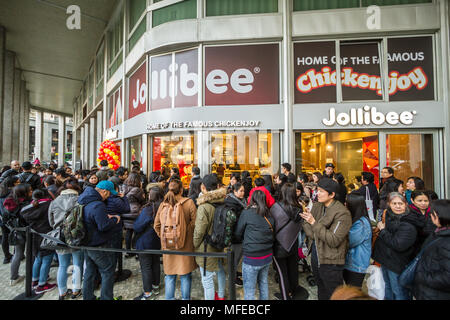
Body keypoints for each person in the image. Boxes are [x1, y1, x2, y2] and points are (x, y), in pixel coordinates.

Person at [300, 178, 352, 300]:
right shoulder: (318, 206)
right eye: (317, 190)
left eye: (321, 191)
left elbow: (333, 240)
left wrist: (313, 222)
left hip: (331, 261)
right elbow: (310, 232)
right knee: (321, 291)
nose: (317, 193)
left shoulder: (342, 213)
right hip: (316, 256)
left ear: (332, 194)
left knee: (334, 295)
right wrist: (310, 222)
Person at [154, 179, 197, 300]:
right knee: (185, 276)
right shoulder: (189, 203)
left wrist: (165, 237)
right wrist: (185, 235)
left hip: (168, 246)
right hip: (185, 247)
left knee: (169, 276)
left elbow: (156, 225)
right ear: (182, 190)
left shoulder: (163, 204)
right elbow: (195, 223)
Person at [79, 180, 121, 300]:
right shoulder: (98, 204)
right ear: (103, 191)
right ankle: (106, 297)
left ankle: (87, 297)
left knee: (90, 271)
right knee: (107, 271)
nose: (108, 196)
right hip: (97, 243)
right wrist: (114, 220)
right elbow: (103, 226)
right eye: (108, 194)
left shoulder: (84, 198)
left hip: (85, 241)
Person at [372, 192, 418, 300]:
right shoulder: (389, 216)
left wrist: (382, 231)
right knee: (388, 290)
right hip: (386, 259)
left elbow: (398, 244)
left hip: (398, 263)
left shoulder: (409, 222)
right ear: (389, 204)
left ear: (406, 204)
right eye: (394, 203)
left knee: (399, 292)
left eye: (400, 203)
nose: (397, 206)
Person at [234, 190, 274, 300]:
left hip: (252, 257)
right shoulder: (269, 214)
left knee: (249, 290)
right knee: (263, 283)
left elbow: (238, 232)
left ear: (252, 199)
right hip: (267, 256)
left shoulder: (246, 213)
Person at [48, 178, 84, 299]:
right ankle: (76, 290)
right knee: (77, 264)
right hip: (76, 235)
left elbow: (51, 221)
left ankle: (62, 292)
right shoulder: (80, 200)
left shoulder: (55, 201)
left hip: (60, 236)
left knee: (62, 265)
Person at [193, 174, 228, 300]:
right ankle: (222, 295)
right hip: (221, 244)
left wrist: (195, 245)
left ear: (203, 187)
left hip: (207, 247)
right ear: (218, 186)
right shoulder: (224, 201)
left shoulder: (204, 206)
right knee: (220, 271)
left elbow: (199, 231)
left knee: (207, 280)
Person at [270, 183, 303, 300]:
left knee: (282, 272)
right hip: (292, 244)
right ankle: (293, 291)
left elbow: (272, 226)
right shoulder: (299, 208)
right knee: (293, 269)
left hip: (279, 246)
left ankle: (285, 296)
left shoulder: (275, 207)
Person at [413, 199, 450, 300]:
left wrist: (421, 276)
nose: (430, 216)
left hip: (436, 294)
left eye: (432, 214)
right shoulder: (438, 232)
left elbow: (447, 277)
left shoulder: (446, 241)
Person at [21, 189, 56, 294]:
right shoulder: (49, 205)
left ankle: (34, 280)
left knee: (38, 258)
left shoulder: (28, 208)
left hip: (34, 236)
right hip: (47, 235)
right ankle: (42, 284)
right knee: (46, 260)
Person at [133, 186, 164, 300]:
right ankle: (156, 286)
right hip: (157, 239)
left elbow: (138, 226)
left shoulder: (149, 209)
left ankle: (147, 292)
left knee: (146, 266)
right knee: (155, 262)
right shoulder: (164, 207)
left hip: (145, 240)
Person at [3, 184, 33, 285]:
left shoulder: (8, 202)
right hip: (28, 231)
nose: (31, 192)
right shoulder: (25, 204)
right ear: (23, 193)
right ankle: (34, 275)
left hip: (15, 231)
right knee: (32, 253)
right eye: (29, 191)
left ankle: (13, 277)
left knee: (17, 254)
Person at [343, 193, 372, 288]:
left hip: (356, 265)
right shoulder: (356, 219)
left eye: (347, 203)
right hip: (352, 263)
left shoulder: (361, 224)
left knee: (353, 292)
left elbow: (349, 241)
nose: (344, 204)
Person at [105, 182, 130, 279]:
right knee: (116, 251)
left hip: (106, 228)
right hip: (116, 227)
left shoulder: (103, 200)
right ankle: (115, 273)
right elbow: (127, 209)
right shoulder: (116, 200)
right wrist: (124, 198)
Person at [224, 182, 247, 286]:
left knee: (237, 256)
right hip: (235, 236)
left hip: (239, 235)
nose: (243, 193)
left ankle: (234, 273)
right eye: (240, 191)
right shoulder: (233, 204)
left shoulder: (239, 201)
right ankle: (232, 277)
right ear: (234, 191)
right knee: (235, 257)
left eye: (243, 191)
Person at [121, 172, 146, 257]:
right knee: (137, 231)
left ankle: (128, 251)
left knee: (128, 231)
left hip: (125, 211)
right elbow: (142, 200)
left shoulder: (124, 187)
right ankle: (136, 250)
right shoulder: (137, 189)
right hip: (135, 212)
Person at [409, 190, 437, 255]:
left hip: (431, 245)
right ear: (412, 200)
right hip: (414, 248)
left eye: (426, 201)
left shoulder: (433, 212)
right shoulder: (408, 212)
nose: (423, 203)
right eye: (420, 201)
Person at [0, 176, 20, 264]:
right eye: (17, 182)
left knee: (5, 236)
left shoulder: (1, 192)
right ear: (13, 184)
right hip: (12, 218)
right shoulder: (13, 193)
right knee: (15, 235)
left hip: (2, 219)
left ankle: (6, 256)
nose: (19, 183)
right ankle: (17, 254)